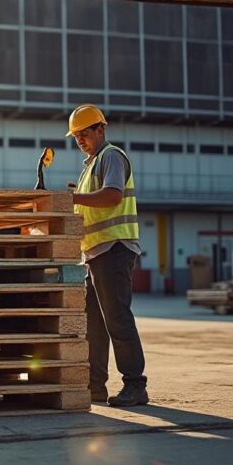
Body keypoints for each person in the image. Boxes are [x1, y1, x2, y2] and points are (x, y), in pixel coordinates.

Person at [66, 104, 148, 407]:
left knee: (117, 319)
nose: (80, 140)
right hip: (95, 254)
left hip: (114, 250)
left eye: (84, 134)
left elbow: (112, 195)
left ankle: (135, 385)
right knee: (94, 324)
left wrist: (72, 197)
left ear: (101, 128)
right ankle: (95, 386)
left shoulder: (111, 156)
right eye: (76, 137)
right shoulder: (91, 165)